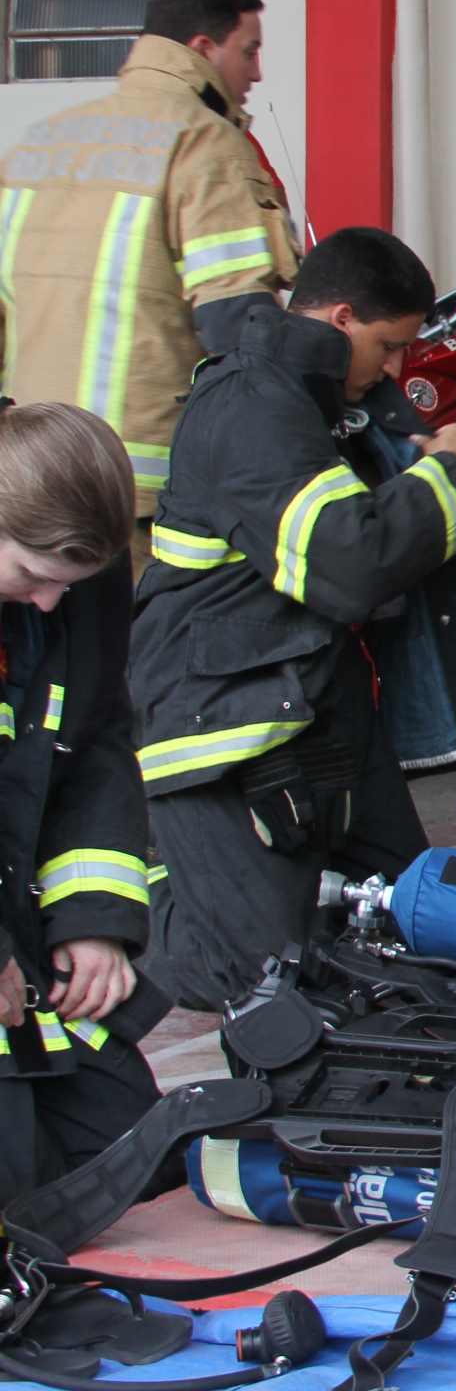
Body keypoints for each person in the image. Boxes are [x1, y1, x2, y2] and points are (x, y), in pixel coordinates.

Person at [133, 229, 456, 1011]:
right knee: (259, 977)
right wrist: (449, 467)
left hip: (319, 711)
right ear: (341, 317)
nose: (395, 368)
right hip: (223, 727)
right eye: (389, 347)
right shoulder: (250, 407)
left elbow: (446, 510)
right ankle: (130, 911)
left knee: (402, 923)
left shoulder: (330, 402)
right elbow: (349, 565)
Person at [0, 0, 298, 564]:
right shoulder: (202, 143)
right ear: (202, 49)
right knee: (147, 652)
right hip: (137, 500)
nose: (257, 72)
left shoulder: (36, 143)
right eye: (250, 49)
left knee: (59, 650)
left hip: (28, 483)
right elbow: (241, 332)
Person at [0, 402, 169, 1206]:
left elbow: (94, 743)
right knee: (20, 1185)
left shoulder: (80, 584)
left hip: (21, 935)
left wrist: (93, 922)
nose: (44, 605)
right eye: (31, 577)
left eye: (64, 587)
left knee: (128, 1156)